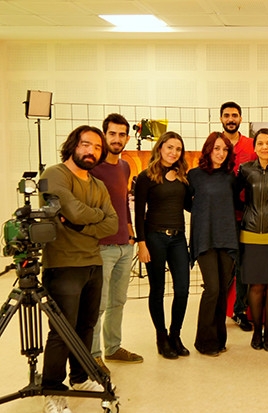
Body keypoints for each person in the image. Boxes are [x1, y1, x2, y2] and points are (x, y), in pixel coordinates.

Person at [40, 125, 118, 413]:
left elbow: (112, 223)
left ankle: (80, 377)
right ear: (74, 144)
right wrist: (94, 218)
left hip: (92, 263)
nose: (91, 151)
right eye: (86, 144)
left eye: (97, 147)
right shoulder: (54, 174)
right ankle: (52, 390)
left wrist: (81, 225)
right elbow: (71, 210)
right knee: (62, 331)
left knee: (86, 326)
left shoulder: (98, 184)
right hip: (63, 264)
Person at [90, 114, 143, 377]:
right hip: (102, 247)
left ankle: (112, 348)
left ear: (127, 138)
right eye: (112, 134)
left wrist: (131, 233)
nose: (117, 139)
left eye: (122, 134)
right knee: (98, 304)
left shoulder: (124, 167)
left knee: (118, 302)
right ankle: (93, 356)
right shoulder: (92, 168)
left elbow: (123, 203)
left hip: (124, 244)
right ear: (104, 136)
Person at [134, 131, 191, 360]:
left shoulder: (183, 177)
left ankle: (175, 335)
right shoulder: (146, 177)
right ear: (160, 148)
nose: (173, 152)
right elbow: (139, 213)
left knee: (183, 289)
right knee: (157, 289)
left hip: (178, 238)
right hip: (154, 238)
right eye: (170, 147)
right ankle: (161, 336)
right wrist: (141, 244)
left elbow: (189, 206)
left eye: (178, 149)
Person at [188, 132, 238, 356]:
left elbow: (234, 203)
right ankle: (204, 342)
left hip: (227, 237)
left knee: (222, 291)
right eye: (216, 148)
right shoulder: (194, 176)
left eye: (225, 149)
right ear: (208, 149)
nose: (221, 153)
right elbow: (187, 203)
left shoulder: (230, 177)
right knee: (212, 289)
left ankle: (218, 340)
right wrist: (204, 215)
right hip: (205, 238)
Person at [237, 128, 268, 352]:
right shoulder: (245, 170)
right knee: (255, 285)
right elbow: (232, 195)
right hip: (250, 233)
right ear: (254, 147)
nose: (264, 147)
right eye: (260, 143)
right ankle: (257, 331)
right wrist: (247, 211)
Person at [220, 101, 257, 333]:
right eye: (227, 115)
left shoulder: (252, 145)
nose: (231, 119)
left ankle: (240, 310)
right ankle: (217, 308)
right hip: (222, 216)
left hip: (247, 215)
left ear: (241, 119)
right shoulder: (216, 144)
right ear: (221, 119)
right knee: (224, 266)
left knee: (244, 265)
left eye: (234, 115)